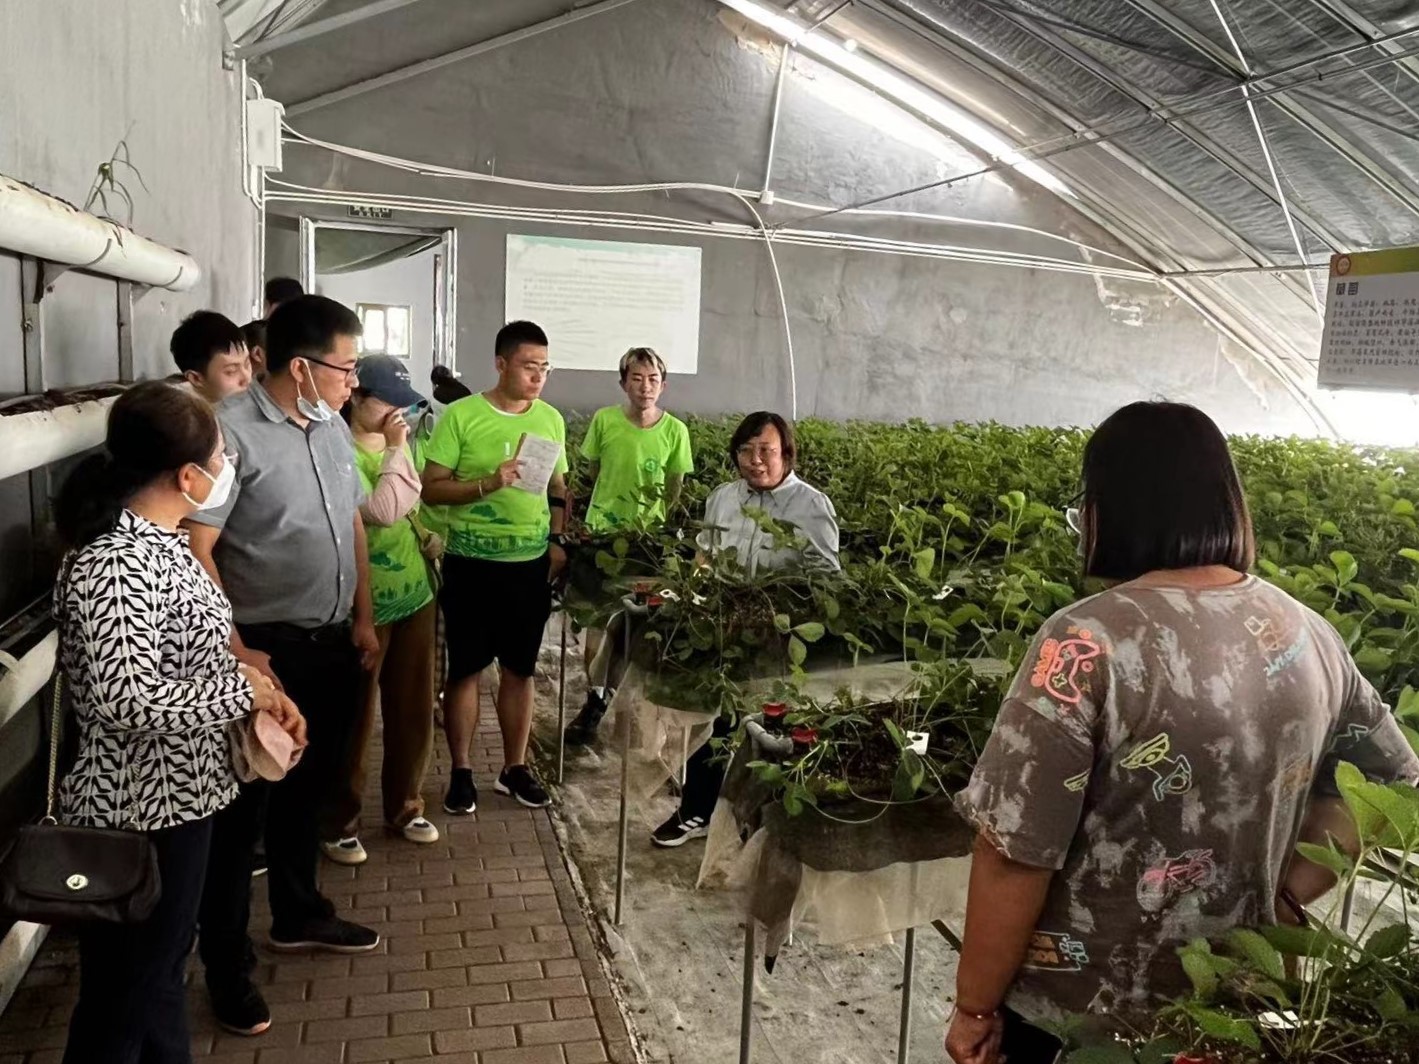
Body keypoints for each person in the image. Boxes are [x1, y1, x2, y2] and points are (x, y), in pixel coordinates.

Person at [945, 402, 1419, 1064]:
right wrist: (1288, 894)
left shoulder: (1085, 642)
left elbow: (1013, 850)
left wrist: (974, 1005)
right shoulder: (1305, 630)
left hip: (1086, 1017)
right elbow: (1392, 778)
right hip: (1241, 1004)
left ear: (1107, 509)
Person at [51, 382, 304, 1064]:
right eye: (221, 457)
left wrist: (258, 690)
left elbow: (191, 657)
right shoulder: (114, 564)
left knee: (157, 977)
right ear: (187, 476)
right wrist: (240, 693)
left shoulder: (163, 543)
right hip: (138, 809)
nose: (227, 469)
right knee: (121, 1001)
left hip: (185, 797)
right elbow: (126, 698)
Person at [187, 295, 382, 1038]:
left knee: (309, 790)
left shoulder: (330, 425)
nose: (353, 382)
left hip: (332, 641)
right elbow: (198, 549)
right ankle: (226, 966)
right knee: (242, 818)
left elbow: (351, 519)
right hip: (264, 649)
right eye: (345, 367)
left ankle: (300, 914)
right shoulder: (229, 434)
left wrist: (362, 615)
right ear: (301, 367)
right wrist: (237, 648)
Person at [651, 411, 839, 848]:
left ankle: (757, 823)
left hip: (778, 638)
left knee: (765, 729)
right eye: (745, 450)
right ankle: (697, 810)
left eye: (765, 451)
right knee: (711, 719)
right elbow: (705, 554)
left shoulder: (811, 506)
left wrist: (784, 611)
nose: (755, 460)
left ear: (786, 454)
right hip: (723, 628)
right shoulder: (723, 497)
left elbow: (826, 579)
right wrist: (692, 596)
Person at [422, 320, 569, 814]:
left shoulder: (550, 419)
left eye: (545, 367)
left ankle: (514, 768)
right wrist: (487, 483)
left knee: (520, 671)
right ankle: (462, 771)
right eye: (529, 366)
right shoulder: (462, 416)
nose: (538, 376)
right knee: (465, 670)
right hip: (471, 564)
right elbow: (432, 488)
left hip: (528, 566)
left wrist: (557, 539)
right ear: (501, 364)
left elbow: (558, 487)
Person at [322, 355, 441, 865]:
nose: (398, 413)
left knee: (412, 710)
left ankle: (405, 806)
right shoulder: (336, 449)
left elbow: (413, 503)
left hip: (415, 594)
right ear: (355, 396)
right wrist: (395, 447)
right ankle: (340, 821)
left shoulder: (401, 441)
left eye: (404, 404)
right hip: (363, 603)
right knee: (355, 718)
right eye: (387, 402)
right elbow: (383, 509)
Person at [565, 346, 694, 746]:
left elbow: (674, 488)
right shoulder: (604, 421)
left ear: (663, 385)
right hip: (601, 537)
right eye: (636, 378)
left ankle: (624, 709)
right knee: (594, 624)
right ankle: (595, 701)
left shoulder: (675, 431)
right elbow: (593, 472)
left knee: (632, 628)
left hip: (645, 543)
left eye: (653, 379)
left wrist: (656, 525)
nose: (645, 386)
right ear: (623, 383)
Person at [170, 310, 252, 405]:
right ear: (196, 378)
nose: (247, 379)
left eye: (247, 364)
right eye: (231, 371)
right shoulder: (175, 411)